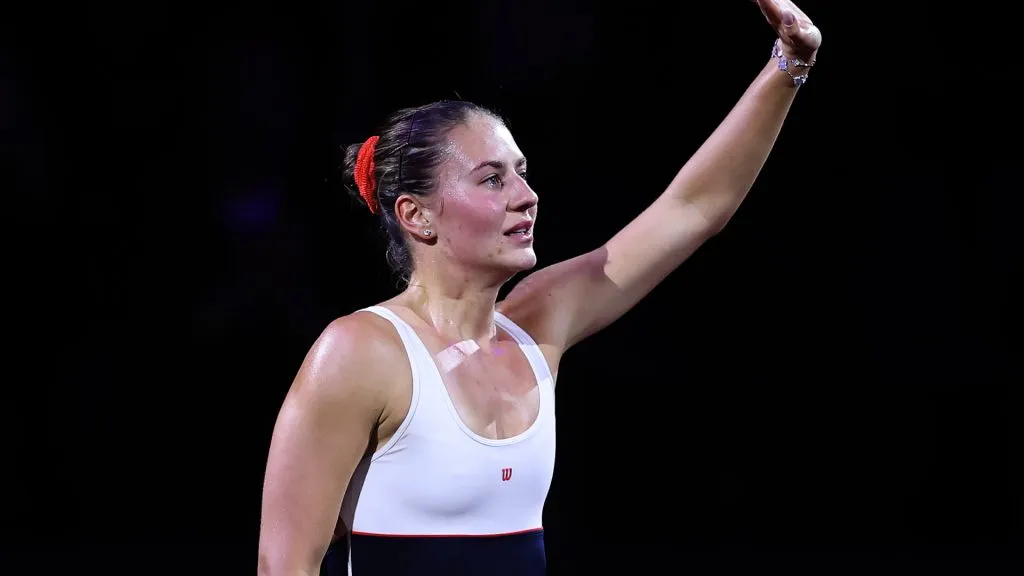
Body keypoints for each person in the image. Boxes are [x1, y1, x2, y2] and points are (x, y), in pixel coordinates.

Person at [257, 1, 821, 574]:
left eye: (522, 173)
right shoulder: (360, 352)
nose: (526, 197)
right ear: (417, 215)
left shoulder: (537, 327)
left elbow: (692, 209)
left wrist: (789, 63)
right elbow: (283, 564)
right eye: (492, 179)